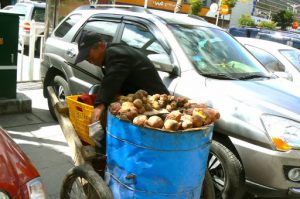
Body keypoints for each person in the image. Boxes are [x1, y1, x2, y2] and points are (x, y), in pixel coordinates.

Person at [75, 30, 169, 126]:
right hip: (142, 106)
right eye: (86, 59)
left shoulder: (116, 54)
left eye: (88, 56)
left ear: (101, 46)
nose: (89, 61)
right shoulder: (110, 55)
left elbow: (111, 80)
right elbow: (116, 82)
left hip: (159, 109)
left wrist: (98, 108)